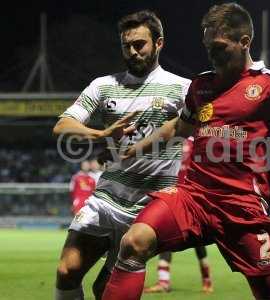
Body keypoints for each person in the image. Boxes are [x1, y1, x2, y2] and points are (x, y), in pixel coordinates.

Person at [102, 3, 270, 300]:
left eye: (218, 46)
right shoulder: (201, 86)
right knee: (134, 243)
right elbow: (179, 128)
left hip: (241, 207)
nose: (211, 54)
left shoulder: (269, 86)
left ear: (244, 42)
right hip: (193, 197)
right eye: (208, 47)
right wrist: (132, 150)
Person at [53, 10, 191, 300]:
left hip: (149, 208)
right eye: (126, 45)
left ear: (159, 43)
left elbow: (209, 129)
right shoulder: (104, 86)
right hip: (106, 198)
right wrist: (101, 134)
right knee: (67, 271)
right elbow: (63, 125)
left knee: (105, 289)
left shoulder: (183, 89)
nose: (132, 51)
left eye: (139, 44)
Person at [144, 139, 213, 294]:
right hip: (172, 193)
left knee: (198, 241)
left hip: (191, 194)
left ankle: (207, 279)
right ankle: (164, 281)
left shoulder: (197, 141)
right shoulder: (172, 140)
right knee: (164, 233)